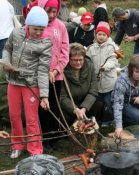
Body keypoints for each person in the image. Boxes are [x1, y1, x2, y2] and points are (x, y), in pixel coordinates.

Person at [2, 6, 51, 158]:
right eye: (36, 29)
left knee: (31, 118)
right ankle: (17, 145)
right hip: (13, 82)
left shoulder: (45, 44)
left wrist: (44, 96)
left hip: (31, 84)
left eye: (41, 29)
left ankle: (35, 149)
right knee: (14, 115)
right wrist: (7, 62)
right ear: (28, 24)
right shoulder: (16, 33)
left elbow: (43, 70)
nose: (38, 32)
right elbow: (7, 49)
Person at [35, 0, 69, 149]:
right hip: (40, 74)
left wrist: (56, 70)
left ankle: (54, 136)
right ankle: (44, 137)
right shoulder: (36, 25)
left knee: (54, 104)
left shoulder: (60, 26)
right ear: (42, 9)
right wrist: (43, 70)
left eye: (55, 12)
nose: (52, 15)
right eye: (48, 11)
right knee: (42, 106)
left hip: (56, 74)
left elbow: (65, 49)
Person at [60, 43, 103, 125]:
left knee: (99, 104)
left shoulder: (90, 66)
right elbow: (62, 97)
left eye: (81, 59)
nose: (78, 62)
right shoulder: (62, 71)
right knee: (64, 120)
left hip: (85, 102)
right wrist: (75, 109)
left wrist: (84, 108)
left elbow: (93, 91)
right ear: (68, 59)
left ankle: (90, 123)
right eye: (75, 60)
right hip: (70, 104)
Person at [87, 22, 118, 125]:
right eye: (99, 34)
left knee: (109, 102)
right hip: (96, 82)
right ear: (96, 35)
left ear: (107, 36)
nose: (101, 37)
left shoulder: (111, 47)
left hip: (109, 81)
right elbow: (88, 61)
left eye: (104, 35)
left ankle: (108, 121)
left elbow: (113, 61)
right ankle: (98, 119)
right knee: (99, 102)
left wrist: (106, 66)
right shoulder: (91, 48)